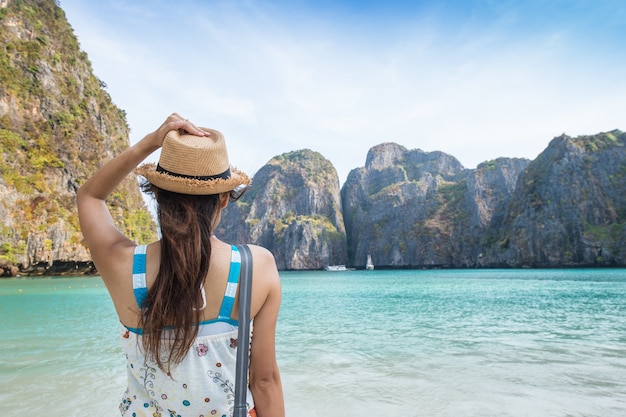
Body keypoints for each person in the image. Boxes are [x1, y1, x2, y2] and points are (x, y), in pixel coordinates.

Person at [77, 113, 284, 417]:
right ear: (224, 198)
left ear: (157, 194)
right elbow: (264, 382)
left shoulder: (123, 265)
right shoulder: (256, 267)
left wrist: (152, 141)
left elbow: (89, 196)